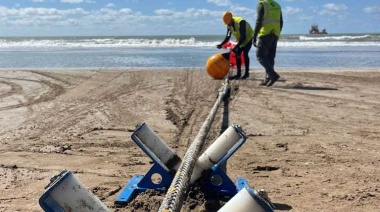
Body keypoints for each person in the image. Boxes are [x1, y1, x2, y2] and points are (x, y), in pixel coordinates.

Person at [252, 0, 283, 87]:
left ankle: (273, 75)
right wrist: (277, 33)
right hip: (275, 33)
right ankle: (268, 79)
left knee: (260, 55)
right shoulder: (277, 5)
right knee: (270, 57)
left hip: (265, 33)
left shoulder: (262, 4)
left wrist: (254, 36)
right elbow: (281, 22)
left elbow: (258, 21)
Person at [217, 11, 254, 80]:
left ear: (231, 19)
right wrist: (221, 44)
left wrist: (235, 47)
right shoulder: (229, 26)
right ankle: (238, 74)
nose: (228, 24)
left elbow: (243, 37)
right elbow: (228, 37)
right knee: (237, 54)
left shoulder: (241, 22)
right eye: (227, 23)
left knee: (245, 53)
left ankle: (246, 73)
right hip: (241, 40)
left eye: (228, 22)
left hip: (248, 38)